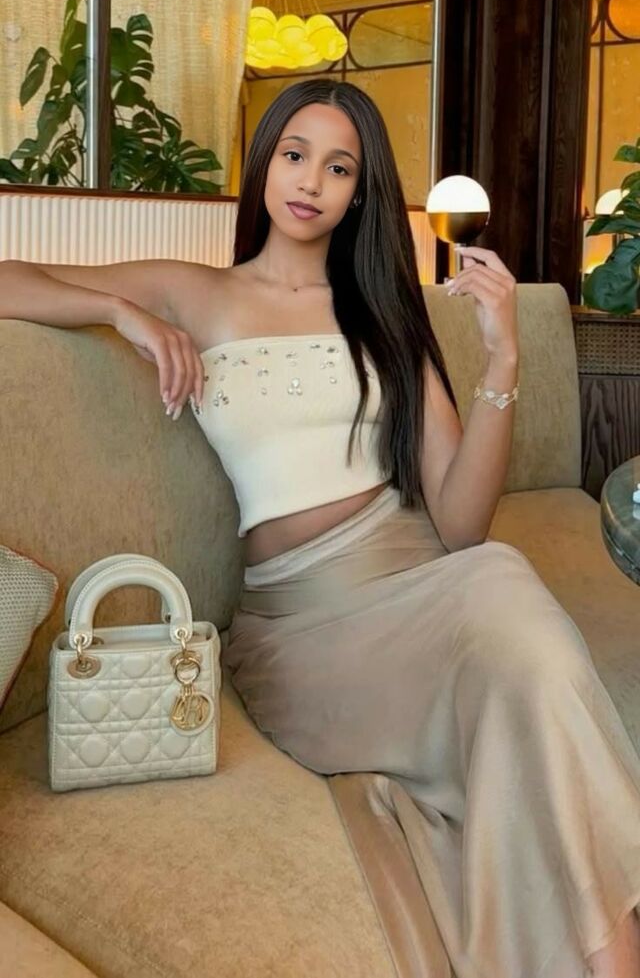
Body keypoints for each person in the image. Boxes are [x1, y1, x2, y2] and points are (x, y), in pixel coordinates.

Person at [1, 78, 639, 978]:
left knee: (511, 614)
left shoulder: (385, 316)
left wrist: (503, 359)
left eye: (339, 168)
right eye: (296, 154)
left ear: (360, 193)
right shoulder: (194, 290)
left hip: (429, 585)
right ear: (265, 161)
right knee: (513, 631)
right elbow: (7, 279)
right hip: (300, 631)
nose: (311, 181)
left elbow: (462, 525)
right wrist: (120, 311)